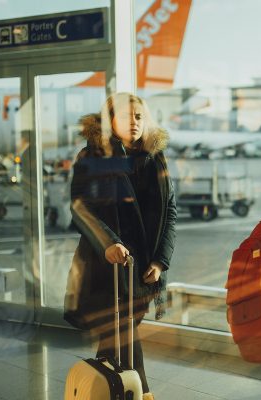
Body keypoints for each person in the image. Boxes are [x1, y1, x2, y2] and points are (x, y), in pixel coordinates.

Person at [63, 93, 176, 400]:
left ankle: (103, 391)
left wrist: (160, 260)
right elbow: (80, 207)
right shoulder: (92, 158)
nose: (135, 121)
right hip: (107, 267)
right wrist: (109, 242)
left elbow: (170, 211)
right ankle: (141, 394)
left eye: (139, 116)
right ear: (109, 120)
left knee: (116, 341)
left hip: (143, 271)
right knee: (121, 335)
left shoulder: (156, 157)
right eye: (126, 116)